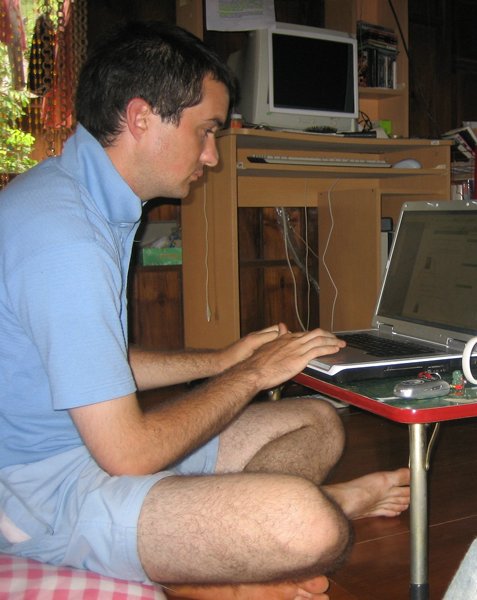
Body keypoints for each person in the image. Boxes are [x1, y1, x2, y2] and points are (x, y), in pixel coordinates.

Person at [0, 21, 410, 600]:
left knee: (317, 422)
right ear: (141, 118)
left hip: (89, 452)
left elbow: (92, 365)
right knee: (307, 524)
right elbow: (130, 453)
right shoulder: (66, 239)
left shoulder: (78, 196)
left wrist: (220, 361)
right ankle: (228, 569)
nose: (212, 156)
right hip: (40, 496)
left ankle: (221, 543)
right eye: (207, 131)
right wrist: (251, 375)